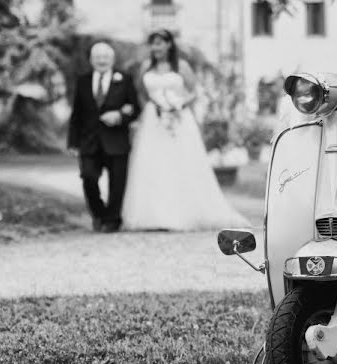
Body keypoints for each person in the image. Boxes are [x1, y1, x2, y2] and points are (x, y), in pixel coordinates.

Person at [121, 29, 248, 231]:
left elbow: (193, 92)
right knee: (153, 165)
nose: (156, 47)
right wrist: (154, 108)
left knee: (180, 162)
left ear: (169, 45)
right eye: (153, 43)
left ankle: (182, 213)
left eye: (160, 43)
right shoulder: (146, 66)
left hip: (179, 119)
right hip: (153, 120)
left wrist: (177, 106)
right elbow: (141, 93)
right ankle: (152, 215)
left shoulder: (181, 66)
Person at [67, 42, 141, 232]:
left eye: (105, 57)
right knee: (88, 178)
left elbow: (135, 109)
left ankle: (113, 219)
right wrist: (73, 142)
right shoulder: (83, 81)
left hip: (116, 141)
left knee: (117, 183)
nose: (102, 60)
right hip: (89, 141)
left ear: (112, 59)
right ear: (91, 60)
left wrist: (119, 117)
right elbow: (76, 114)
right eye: (97, 57)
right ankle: (99, 214)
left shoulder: (124, 79)